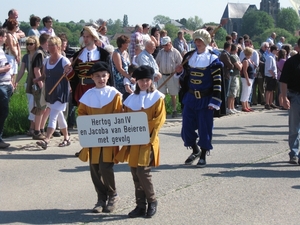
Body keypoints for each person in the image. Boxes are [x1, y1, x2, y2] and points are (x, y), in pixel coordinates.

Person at [115, 65, 166, 218]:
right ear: (136, 82)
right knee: (135, 173)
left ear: (151, 81)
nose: (144, 83)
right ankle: (140, 205)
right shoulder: (130, 99)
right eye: (141, 81)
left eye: (147, 80)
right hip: (133, 141)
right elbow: (126, 120)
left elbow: (158, 120)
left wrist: (144, 132)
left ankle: (152, 201)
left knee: (143, 172)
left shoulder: (157, 98)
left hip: (148, 140)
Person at [77, 61, 122, 213]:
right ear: (92, 77)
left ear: (108, 76)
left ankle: (112, 195)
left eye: (103, 76)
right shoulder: (87, 96)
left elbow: (118, 114)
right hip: (94, 138)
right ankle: (100, 198)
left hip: (109, 137)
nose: (101, 79)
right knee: (94, 167)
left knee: (105, 166)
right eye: (97, 76)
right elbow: (82, 114)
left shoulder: (114, 94)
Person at [175, 29, 223, 167]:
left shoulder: (213, 59)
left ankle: (203, 154)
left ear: (206, 42)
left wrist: (215, 101)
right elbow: (185, 77)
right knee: (187, 128)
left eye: (200, 41)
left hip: (206, 99)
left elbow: (217, 82)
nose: (198, 43)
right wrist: (181, 72)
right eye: (196, 40)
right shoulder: (190, 57)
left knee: (204, 128)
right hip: (190, 97)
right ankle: (195, 150)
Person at [32, 36, 71, 149]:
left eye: (52, 45)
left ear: (58, 46)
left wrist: (69, 72)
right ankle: (67, 138)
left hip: (60, 92)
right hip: (50, 91)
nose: (49, 47)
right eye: (48, 45)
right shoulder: (46, 60)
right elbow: (44, 75)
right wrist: (37, 79)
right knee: (59, 116)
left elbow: (70, 76)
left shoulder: (64, 60)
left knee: (53, 115)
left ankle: (47, 139)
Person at [67, 26, 111, 106]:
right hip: (82, 89)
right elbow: (74, 77)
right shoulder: (78, 55)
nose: (85, 39)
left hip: (98, 88)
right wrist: (69, 72)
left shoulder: (103, 54)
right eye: (84, 37)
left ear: (93, 37)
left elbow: (109, 75)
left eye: (87, 37)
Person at [25, 33, 50, 140]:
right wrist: (42, 86)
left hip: (40, 85)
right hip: (39, 85)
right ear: (47, 42)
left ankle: (40, 129)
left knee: (45, 108)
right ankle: (37, 131)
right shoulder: (40, 53)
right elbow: (36, 70)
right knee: (40, 109)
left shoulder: (42, 52)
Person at [280, 38, 300, 164]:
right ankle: (294, 153)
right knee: (294, 127)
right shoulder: (291, 62)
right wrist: (284, 97)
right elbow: (283, 81)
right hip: (295, 96)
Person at [15, 36, 40, 136]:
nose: (29, 46)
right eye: (28, 44)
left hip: (37, 82)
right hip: (28, 83)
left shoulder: (39, 55)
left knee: (35, 105)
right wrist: (16, 81)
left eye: (31, 44)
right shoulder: (26, 56)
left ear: (36, 44)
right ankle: (32, 127)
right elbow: (22, 70)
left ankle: (34, 128)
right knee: (30, 105)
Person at [156, 36, 182, 118]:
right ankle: (163, 111)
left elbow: (181, 63)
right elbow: (156, 63)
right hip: (162, 75)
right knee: (161, 94)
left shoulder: (175, 52)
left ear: (170, 43)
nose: (165, 47)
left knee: (173, 94)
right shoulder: (161, 52)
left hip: (172, 75)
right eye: (163, 45)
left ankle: (174, 110)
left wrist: (178, 71)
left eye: (166, 45)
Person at [0, 28, 13, 149]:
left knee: (3, 111)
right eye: (5, 37)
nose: (5, 39)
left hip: (6, 84)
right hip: (1, 86)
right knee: (3, 111)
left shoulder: (1, 50)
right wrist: (4, 69)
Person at [227, 44, 242, 114]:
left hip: (236, 75)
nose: (238, 49)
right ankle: (229, 107)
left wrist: (240, 64)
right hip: (233, 76)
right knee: (232, 92)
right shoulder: (232, 56)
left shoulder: (236, 56)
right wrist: (240, 64)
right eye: (237, 48)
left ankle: (232, 107)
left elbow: (240, 64)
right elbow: (239, 67)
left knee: (235, 93)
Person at [240, 47, 255, 112]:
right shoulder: (245, 60)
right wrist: (247, 80)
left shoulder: (249, 60)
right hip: (246, 78)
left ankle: (247, 105)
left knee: (248, 92)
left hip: (251, 77)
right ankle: (243, 106)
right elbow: (245, 71)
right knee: (245, 91)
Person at [264, 45, 278, 110]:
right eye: (276, 50)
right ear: (274, 50)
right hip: (270, 76)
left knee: (272, 90)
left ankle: (271, 102)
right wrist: (273, 75)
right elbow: (269, 68)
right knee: (268, 90)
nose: (277, 51)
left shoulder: (273, 57)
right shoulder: (270, 57)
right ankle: (267, 103)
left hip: (273, 76)